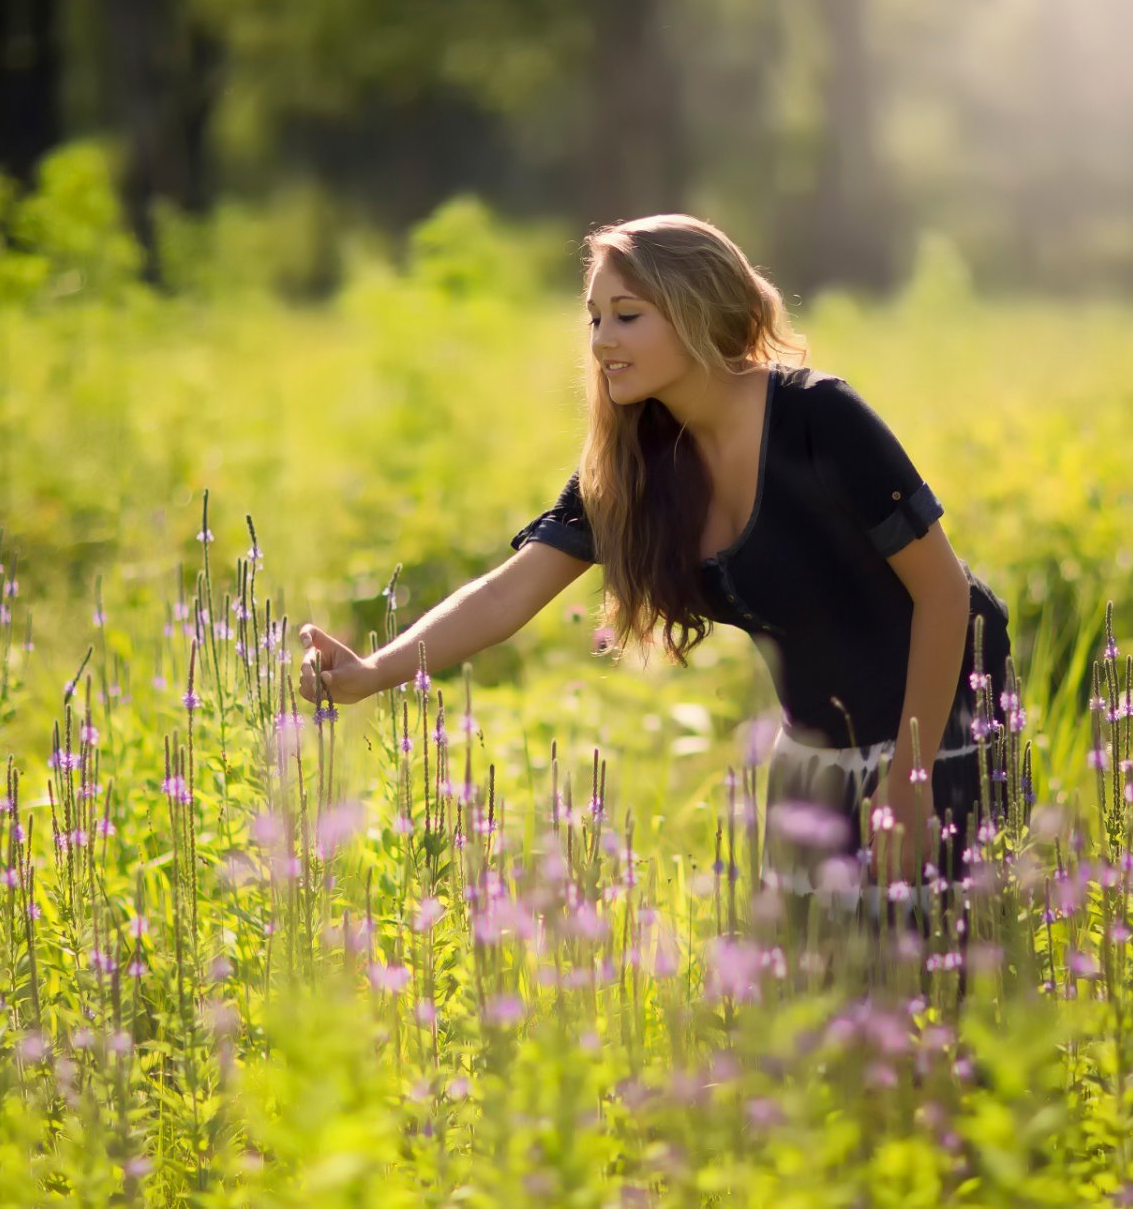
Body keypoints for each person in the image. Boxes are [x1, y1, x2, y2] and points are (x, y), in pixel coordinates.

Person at [297, 213, 1011, 931]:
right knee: (816, 1001)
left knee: (941, 988)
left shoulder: (818, 418)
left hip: (943, 725)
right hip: (816, 755)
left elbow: (945, 593)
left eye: (627, 316)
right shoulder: (637, 466)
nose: (603, 340)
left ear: (697, 308)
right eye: (595, 318)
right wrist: (372, 673)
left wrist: (913, 781)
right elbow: (507, 593)